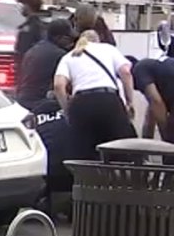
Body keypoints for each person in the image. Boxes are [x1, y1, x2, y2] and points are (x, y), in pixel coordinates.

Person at [54, 29, 137, 162]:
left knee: (83, 155)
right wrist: (129, 101)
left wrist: (67, 109)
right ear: (97, 40)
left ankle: (88, 175)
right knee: (120, 149)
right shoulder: (108, 49)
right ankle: (117, 174)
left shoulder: (69, 56)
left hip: (81, 104)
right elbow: (126, 72)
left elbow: (58, 85)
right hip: (109, 102)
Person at [16, 19, 75, 110]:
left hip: (22, 100)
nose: (70, 42)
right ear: (59, 37)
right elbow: (65, 84)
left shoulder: (34, 49)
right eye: (68, 39)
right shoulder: (59, 55)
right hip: (41, 103)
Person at [133, 57, 174, 142]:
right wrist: (146, 140)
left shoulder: (139, 69)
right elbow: (152, 111)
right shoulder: (155, 68)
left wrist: (165, 135)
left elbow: (156, 101)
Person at [14, 0, 45, 66]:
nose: (22, 8)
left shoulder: (31, 27)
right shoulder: (36, 24)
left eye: (23, 5)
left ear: (28, 6)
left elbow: (23, 49)